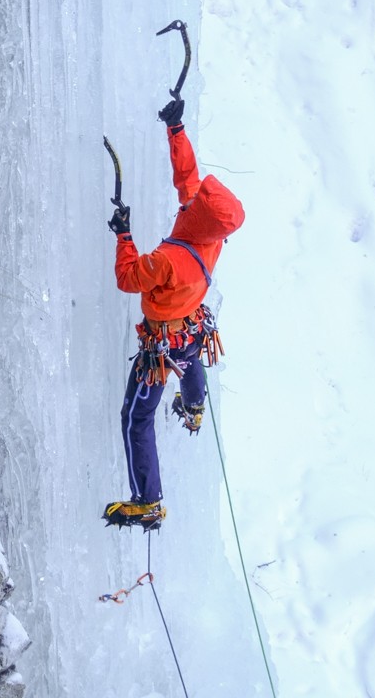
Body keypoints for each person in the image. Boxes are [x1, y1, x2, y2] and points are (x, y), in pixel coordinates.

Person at [102, 96, 245, 529]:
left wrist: (124, 235)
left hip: (161, 342)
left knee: (136, 417)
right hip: (189, 330)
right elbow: (188, 179)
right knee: (190, 361)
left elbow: (128, 278)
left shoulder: (167, 259)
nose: (194, 196)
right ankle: (194, 405)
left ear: (200, 213)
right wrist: (176, 129)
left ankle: (147, 499)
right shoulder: (208, 236)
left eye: (199, 200)